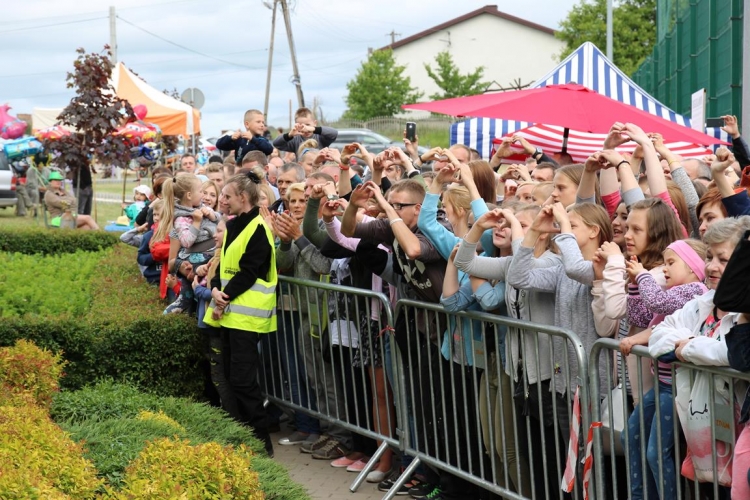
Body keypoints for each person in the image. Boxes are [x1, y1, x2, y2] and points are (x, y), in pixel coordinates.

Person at [618, 239, 709, 500]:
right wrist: (634, 285)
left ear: (692, 267)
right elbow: (640, 317)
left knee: (656, 453)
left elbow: (657, 302)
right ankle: (640, 495)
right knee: (630, 436)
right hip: (661, 384)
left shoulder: (695, 290)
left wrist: (643, 276)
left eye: (671, 262)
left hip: (677, 388)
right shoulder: (674, 293)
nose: (665, 268)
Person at [203, 171, 277, 458]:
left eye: (227, 196)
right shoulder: (233, 225)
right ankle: (244, 440)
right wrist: (214, 287)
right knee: (233, 380)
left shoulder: (258, 228)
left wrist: (224, 296)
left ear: (243, 198)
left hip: (246, 319)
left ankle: (261, 444)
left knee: (244, 382)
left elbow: (249, 271)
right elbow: (224, 264)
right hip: (229, 315)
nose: (222, 200)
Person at [272, 107, 338, 160]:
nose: (305, 128)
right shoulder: (296, 140)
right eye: (301, 126)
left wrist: (313, 129)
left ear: (315, 123)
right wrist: (289, 135)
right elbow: (276, 144)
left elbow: (334, 133)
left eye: (307, 125)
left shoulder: (320, 137)